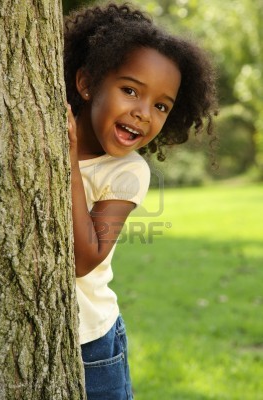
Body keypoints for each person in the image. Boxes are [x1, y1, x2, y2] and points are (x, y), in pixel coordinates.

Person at [64, 2, 218, 399]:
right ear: (86, 83)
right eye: (130, 90)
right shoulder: (41, 131)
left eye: (161, 105)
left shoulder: (127, 172)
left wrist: (65, 162)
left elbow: (85, 258)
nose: (142, 113)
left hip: (91, 341)